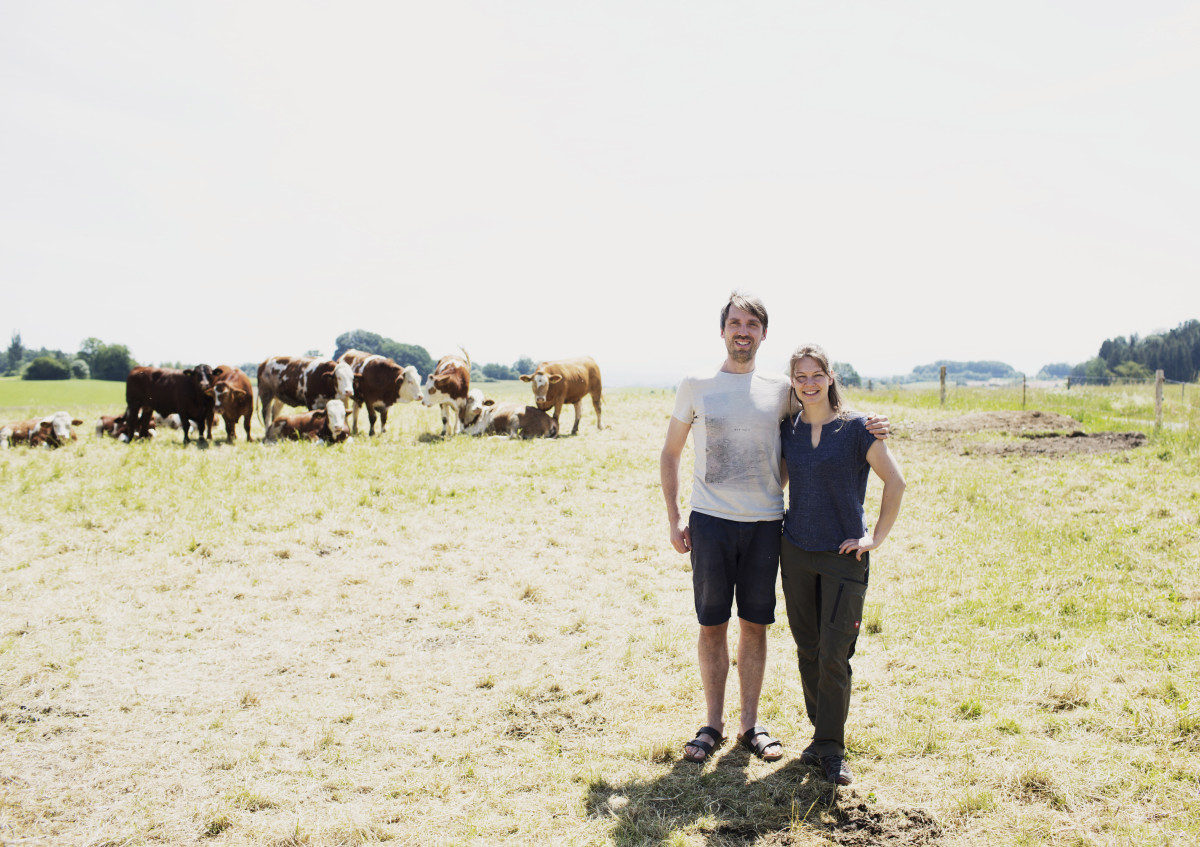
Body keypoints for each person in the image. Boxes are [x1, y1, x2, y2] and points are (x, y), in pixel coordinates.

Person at [660, 293, 888, 765]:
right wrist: (674, 517)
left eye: (752, 324)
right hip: (709, 523)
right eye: (735, 323)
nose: (742, 331)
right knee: (711, 626)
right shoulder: (696, 384)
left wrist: (871, 423)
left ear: (764, 333)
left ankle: (749, 726)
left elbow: (821, 406)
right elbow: (670, 453)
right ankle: (712, 724)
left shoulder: (781, 390)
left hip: (767, 524)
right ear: (722, 330)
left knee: (755, 626)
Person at [778, 343, 906, 786]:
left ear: (830, 377)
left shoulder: (856, 430)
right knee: (807, 649)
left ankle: (831, 748)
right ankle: (822, 735)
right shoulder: (788, 429)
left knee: (835, 654)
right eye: (800, 377)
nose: (809, 383)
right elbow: (777, 481)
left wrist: (875, 537)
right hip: (794, 552)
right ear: (792, 382)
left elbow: (896, 481)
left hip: (843, 558)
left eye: (816, 375)